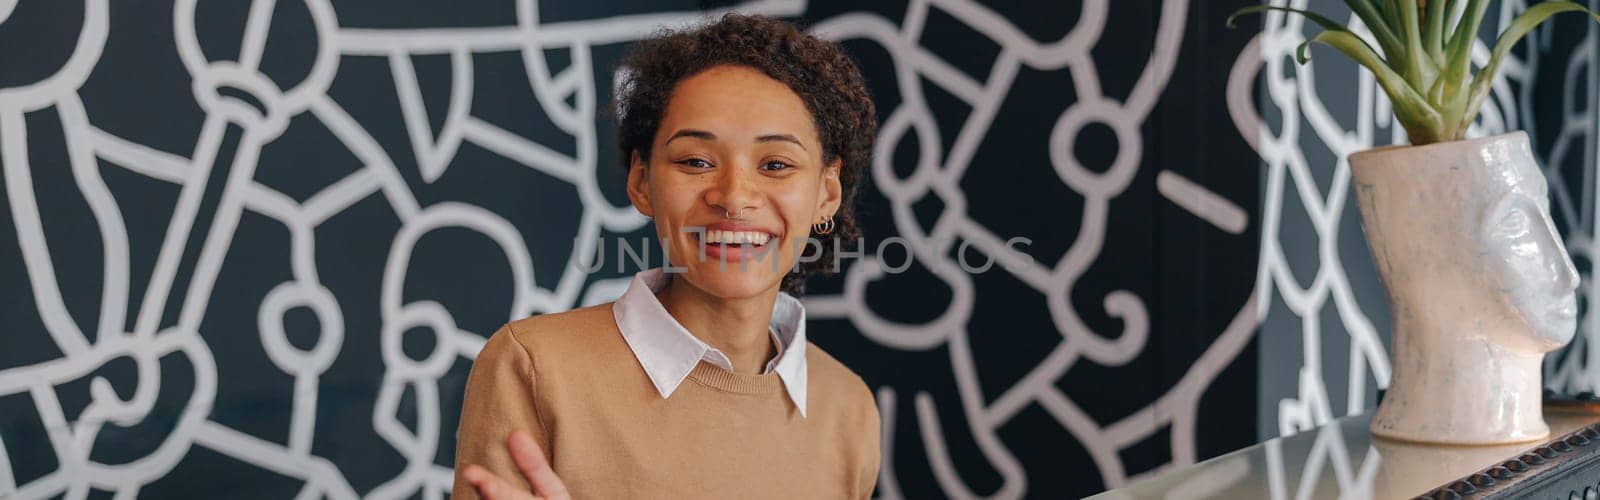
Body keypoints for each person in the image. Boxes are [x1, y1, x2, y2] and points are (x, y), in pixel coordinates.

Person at [451, 13, 881, 499]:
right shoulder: (534, 368)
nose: (734, 197)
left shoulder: (848, 410)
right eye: (696, 161)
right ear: (641, 182)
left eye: (776, 165)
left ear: (827, 193)